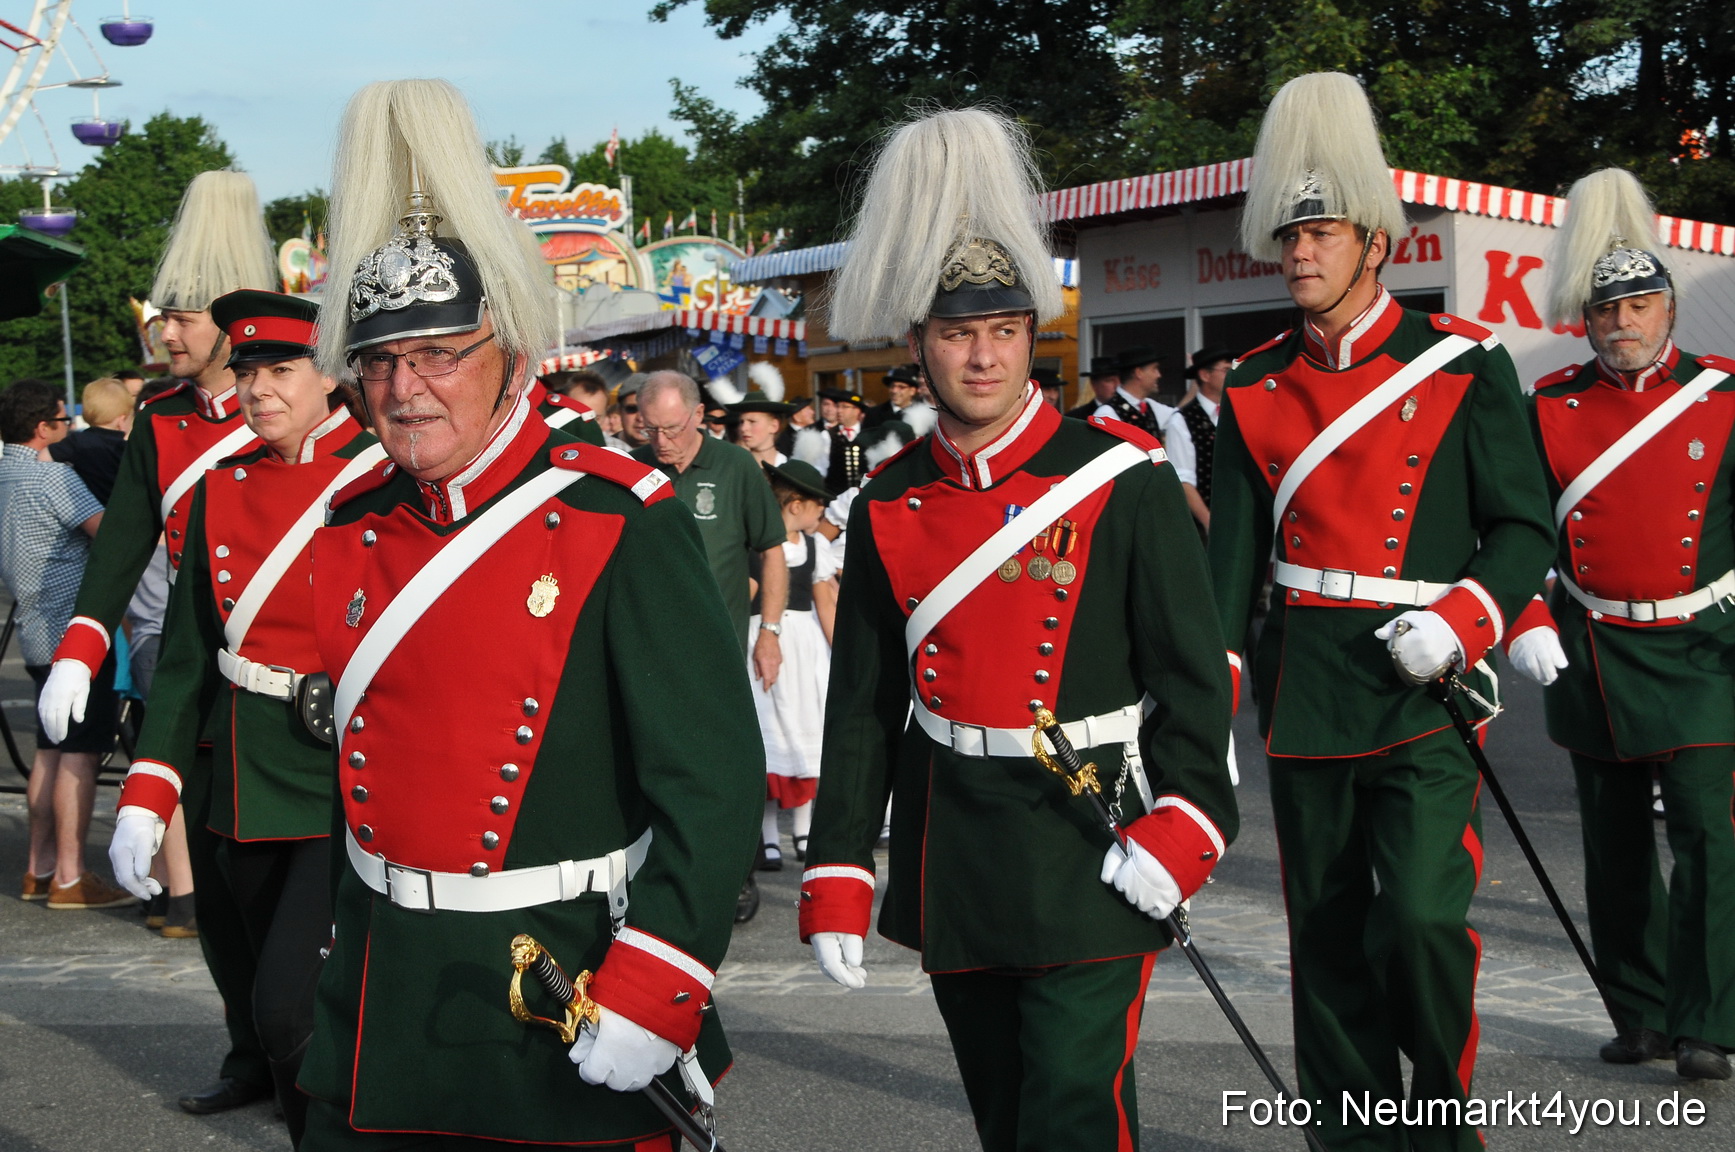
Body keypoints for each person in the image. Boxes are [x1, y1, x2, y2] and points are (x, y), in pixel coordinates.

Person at [297, 79, 762, 1150]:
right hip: (382, 993)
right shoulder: (350, 522)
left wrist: (667, 970)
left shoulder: (615, 513)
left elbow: (711, 774)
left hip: (557, 982)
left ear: (504, 347)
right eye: (379, 361)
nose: (405, 389)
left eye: (437, 355)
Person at [799, 107, 1236, 1152]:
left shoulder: (1118, 479)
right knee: (1006, 1119)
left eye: (1001, 332)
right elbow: (861, 705)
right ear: (919, 344)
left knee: (1074, 1114)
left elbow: (1192, 677)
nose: (982, 358)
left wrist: (1186, 823)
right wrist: (838, 867)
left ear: (1027, 337)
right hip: (958, 850)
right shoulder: (891, 503)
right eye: (957, 334)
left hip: (1089, 841)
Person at [1208, 73, 1554, 1151]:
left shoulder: (1463, 364)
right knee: (1324, 936)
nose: (1297, 252)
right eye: (1286, 235)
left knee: (1413, 919)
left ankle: (1443, 1128)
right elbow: (1226, 568)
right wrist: (1203, 714)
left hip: (1426, 684)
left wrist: (1464, 615)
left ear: (1376, 245)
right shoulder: (1255, 385)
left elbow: (1523, 528)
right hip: (1305, 685)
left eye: (1319, 231)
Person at [109, 290, 381, 1145]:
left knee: (291, 1005)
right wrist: (149, 787)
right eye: (249, 371)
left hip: (346, 777)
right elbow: (188, 654)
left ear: (329, 375)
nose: (259, 389)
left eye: (281, 370)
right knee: (267, 1002)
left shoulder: (381, 481)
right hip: (245, 769)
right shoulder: (222, 488)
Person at [37, 168, 279, 1117]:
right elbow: (129, 530)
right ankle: (248, 1050)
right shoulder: (165, 419)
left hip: (288, 685)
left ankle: (313, 1045)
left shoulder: (304, 406)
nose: (165, 334)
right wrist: (82, 641)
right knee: (213, 886)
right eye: (162, 317)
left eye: (181, 316)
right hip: (186, 680)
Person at [1504, 167, 1735, 1081]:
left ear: (1668, 310)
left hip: (1702, 652)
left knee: (1710, 840)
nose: (1624, 323)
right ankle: (1637, 1012)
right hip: (1594, 646)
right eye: (1607, 310)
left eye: (1640, 304)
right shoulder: (1549, 407)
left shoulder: (1720, 401)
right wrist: (1524, 613)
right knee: (1612, 847)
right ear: (1584, 321)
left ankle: (1708, 1022)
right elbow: (1515, 529)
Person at [0, 379, 128, 910]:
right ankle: (72, 877)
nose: (69, 428)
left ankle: (39, 867)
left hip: (32, 630)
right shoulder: (53, 478)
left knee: (49, 753)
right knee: (80, 754)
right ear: (41, 428)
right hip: (74, 636)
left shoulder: (5, 474)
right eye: (62, 420)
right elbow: (114, 535)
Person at [633, 370, 788, 675]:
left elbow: (772, 550)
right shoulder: (632, 466)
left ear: (699, 414)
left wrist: (769, 633)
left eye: (672, 428)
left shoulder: (736, 465)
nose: (661, 441)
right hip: (648, 641)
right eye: (650, 429)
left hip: (719, 641)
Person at [749, 459, 838, 871]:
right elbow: (743, 592)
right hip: (763, 642)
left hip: (805, 649)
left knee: (808, 731)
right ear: (796, 505)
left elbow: (825, 603)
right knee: (767, 733)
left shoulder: (816, 547)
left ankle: (803, 829)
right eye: (818, 506)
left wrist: (840, 652)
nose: (823, 514)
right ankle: (767, 836)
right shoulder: (757, 548)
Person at [1163, 348, 1232, 536]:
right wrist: (1209, 521)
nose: (1233, 375)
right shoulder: (1182, 419)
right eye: (1226, 370)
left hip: (1237, 517)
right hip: (1203, 526)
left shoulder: (1236, 412)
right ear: (1205, 375)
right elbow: (1183, 479)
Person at [49, 377, 133, 503]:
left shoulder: (77, 441)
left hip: (86, 508)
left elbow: (43, 458)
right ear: (122, 420)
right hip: (118, 508)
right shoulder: (125, 449)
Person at [1094, 346, 1175, 436]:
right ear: (1138, 372)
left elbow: (1180, 417)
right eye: (1154, 369)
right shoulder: (1106, 414)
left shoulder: (1152, 407)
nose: (1158, 375)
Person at [727, 365, 795, 467]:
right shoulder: (734, 468)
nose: (743, 428)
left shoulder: (789, 468)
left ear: (773, 426)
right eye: (741, 422)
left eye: (752, 421)